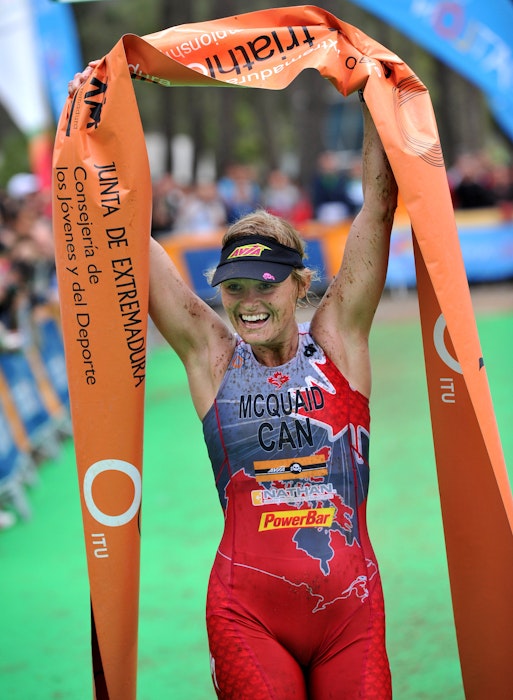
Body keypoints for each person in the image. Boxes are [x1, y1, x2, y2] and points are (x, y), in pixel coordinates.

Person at [69, 68, 397, 698]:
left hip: (351, 613)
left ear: (299, 284)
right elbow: (129, 237)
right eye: (235, 288)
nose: (248, 303)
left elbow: (378, 209)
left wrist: (375, 94)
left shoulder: (338, 341)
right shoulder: (213, 356)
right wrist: (96, 123)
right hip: (247, 615)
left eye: (265, 285)